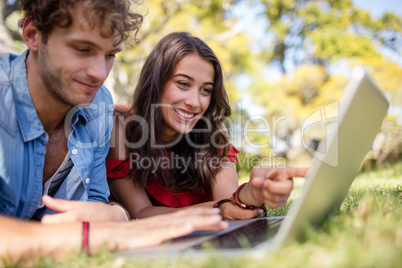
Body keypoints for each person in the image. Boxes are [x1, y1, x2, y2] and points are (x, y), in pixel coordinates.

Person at [0, 1, 226, 263]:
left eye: (110, 55)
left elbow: (97, 204)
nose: (99, 74)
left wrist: (117, 216)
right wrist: (91, 237)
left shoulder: (98, 105)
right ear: (32, 35)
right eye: (83, 49)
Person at [107, 32, 308, 220]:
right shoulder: (121, 126)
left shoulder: (212, 132)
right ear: (155, 83)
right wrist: (228, 205)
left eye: (205, 90)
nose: (195, 102)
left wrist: (251, 193)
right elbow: (141, 213)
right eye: (183, 84)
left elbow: (231, 204)